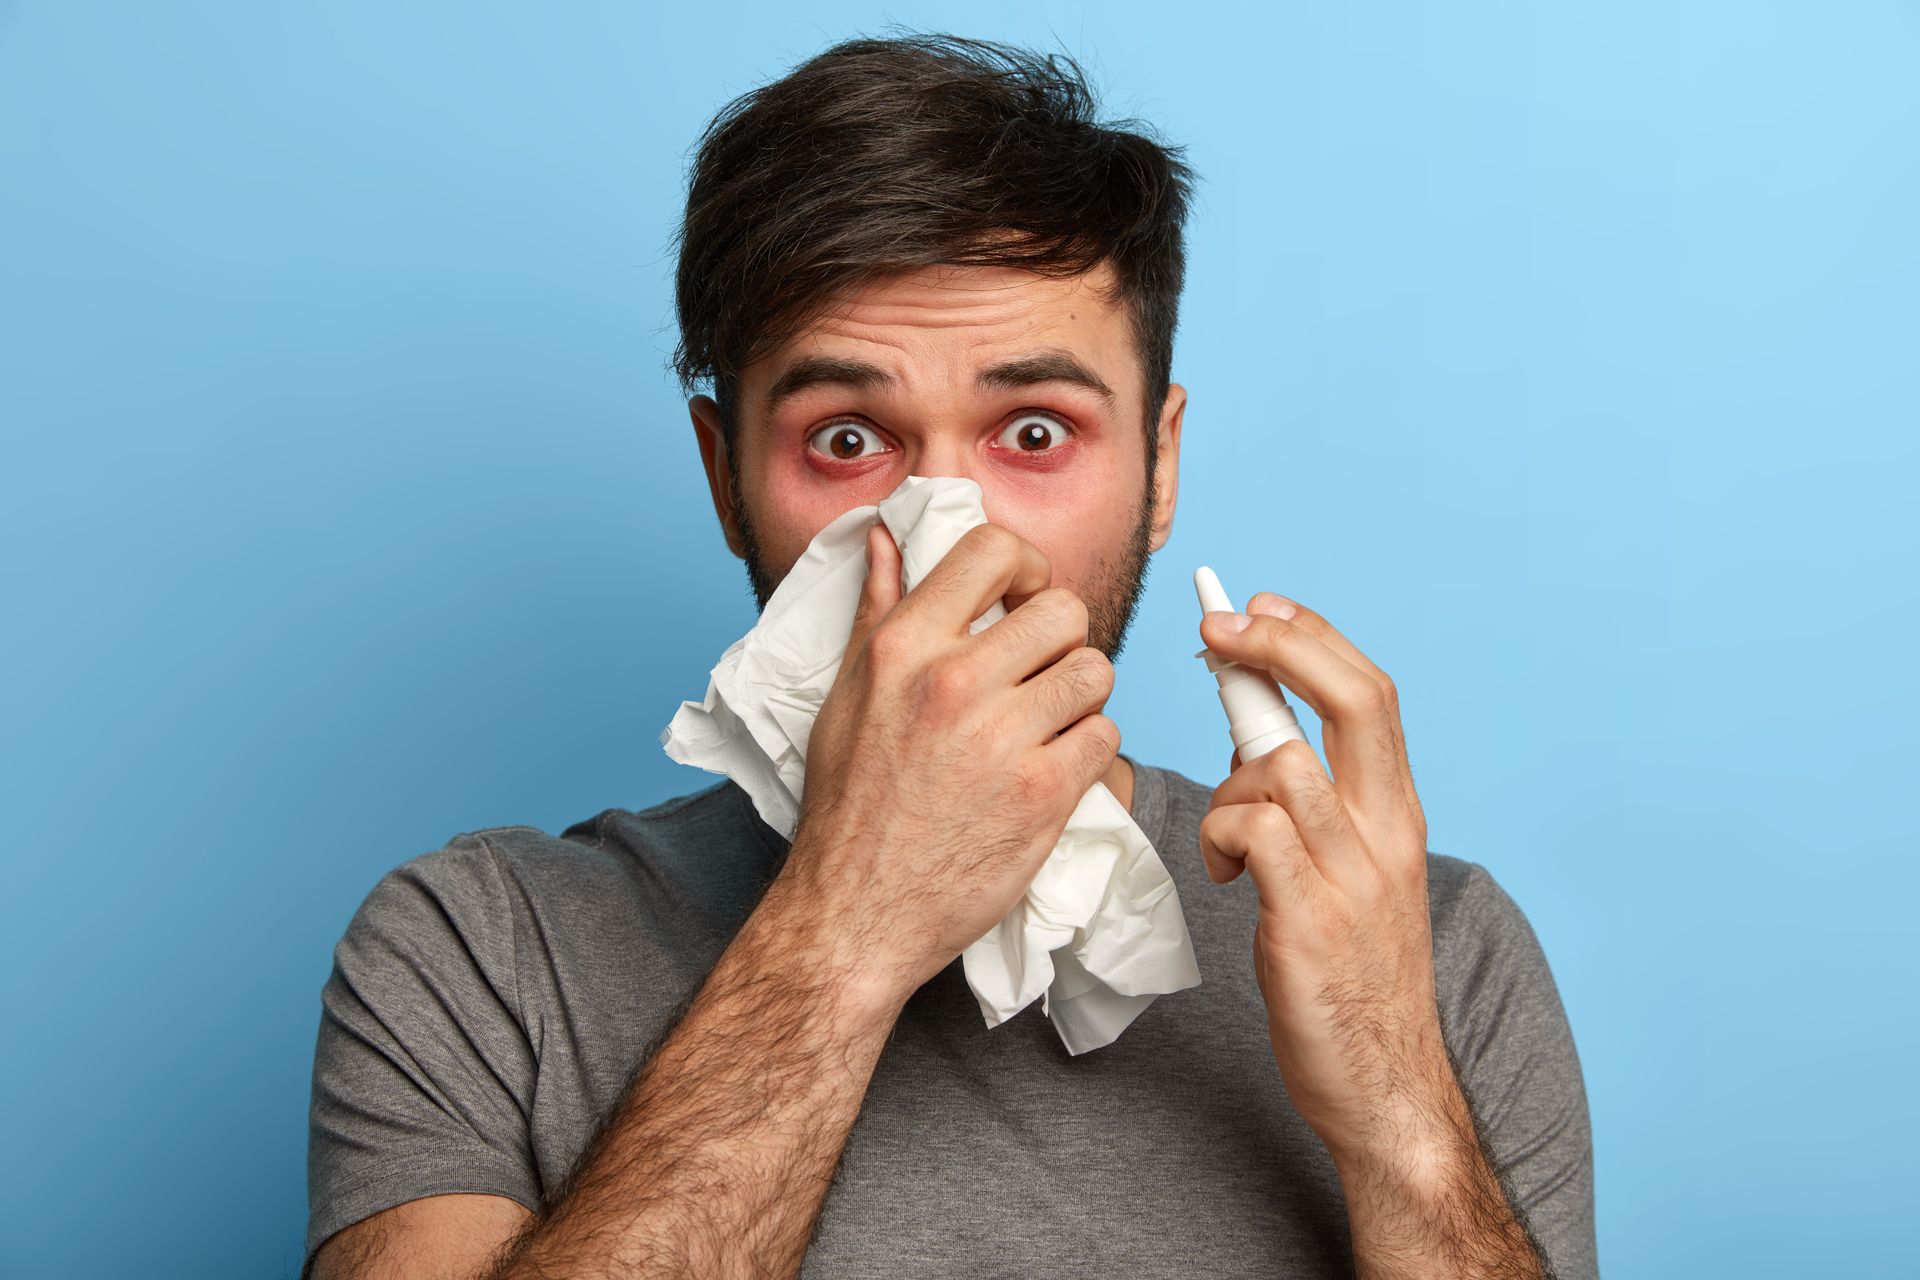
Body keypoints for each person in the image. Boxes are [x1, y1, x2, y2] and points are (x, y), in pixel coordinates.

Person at [303, 32, 1596, 1280]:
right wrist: (847, 926)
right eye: (849, 441)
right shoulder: (480, 948)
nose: (945, 535)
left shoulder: (1431, 947)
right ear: (724, 475)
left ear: (1161, 465)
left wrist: (1396, 1099)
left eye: (1034, 432)